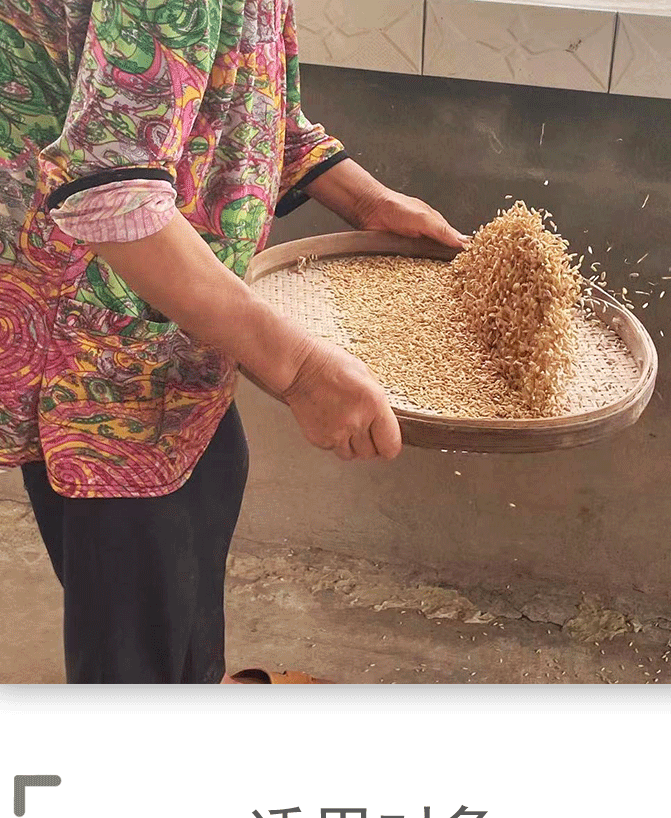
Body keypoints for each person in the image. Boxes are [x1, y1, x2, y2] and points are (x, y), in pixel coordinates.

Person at [0, 0, 467, 684]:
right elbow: (109, 194)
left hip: (173, 334)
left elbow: (246, 89)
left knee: (205, 501)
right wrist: (299, 370)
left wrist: (369, 201)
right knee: (134, 620)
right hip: (94, 357)